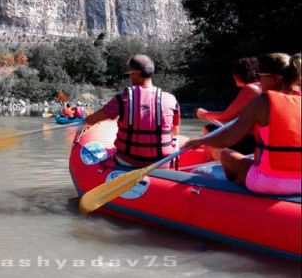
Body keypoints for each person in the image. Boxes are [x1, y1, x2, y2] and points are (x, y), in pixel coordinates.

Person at [185, 53, 301, 195]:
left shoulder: (263, 102)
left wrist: (200, 141)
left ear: (276, 78)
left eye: (260, 77)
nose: (258, 82)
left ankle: (231, 200)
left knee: (227, 155)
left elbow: (227, 139)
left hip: (269, 182)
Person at [82, 54, 181, 167]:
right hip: (162, 162)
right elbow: (175, 132)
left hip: (129, 162)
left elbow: (92, 120)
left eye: (129, 74)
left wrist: (84, 122)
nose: (129, 77)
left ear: (136, 74)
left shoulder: (122, 98)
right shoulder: (171, 99)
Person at [195, 57, 261, 158]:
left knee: (208, 129)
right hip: (259, 140)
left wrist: (203, 114)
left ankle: (211, 164)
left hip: (250, 141)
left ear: (238, 75)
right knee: (217, 129)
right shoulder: (263, 87)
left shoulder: (250, 89)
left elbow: (226, 116)